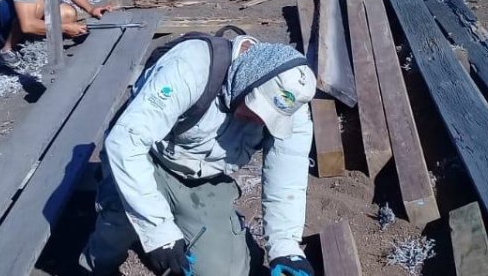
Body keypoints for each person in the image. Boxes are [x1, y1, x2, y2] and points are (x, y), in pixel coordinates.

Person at [80, 35, 317, 276]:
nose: (260, 121)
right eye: (257, 109)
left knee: (224, 272)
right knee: (119, 224)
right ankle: (93, 266)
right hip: (147, 158)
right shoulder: (191, 66)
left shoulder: (291, 107)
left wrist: (285, 247)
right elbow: (126, 142)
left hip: (200, 179)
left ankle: (185, 223)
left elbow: (287, 177)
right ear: (246, 81)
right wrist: (160, 233)